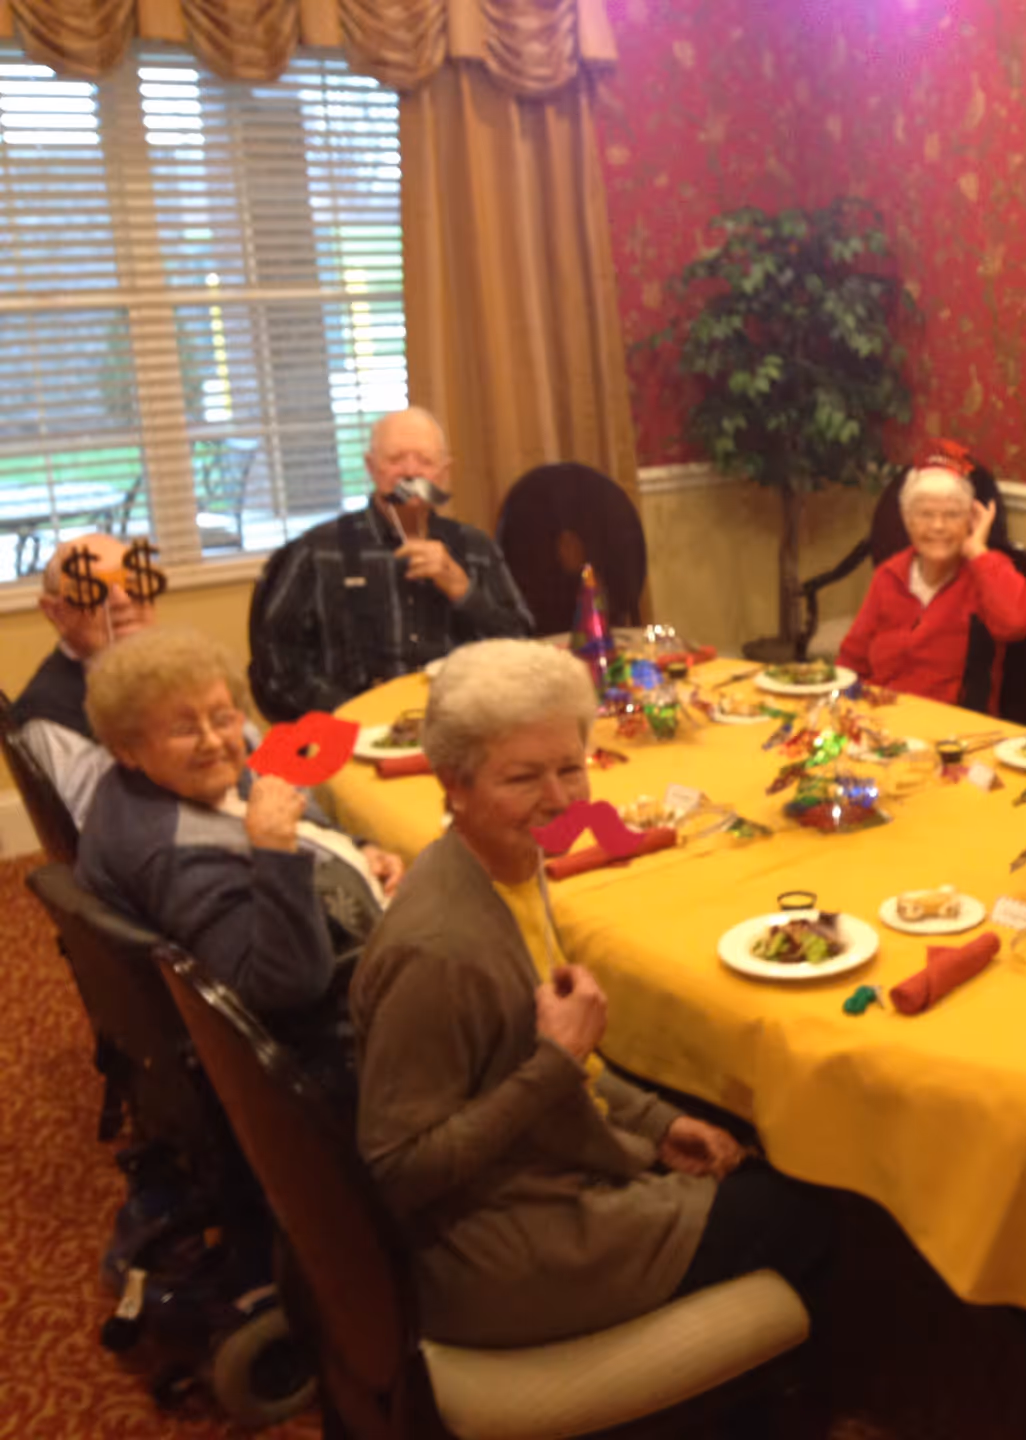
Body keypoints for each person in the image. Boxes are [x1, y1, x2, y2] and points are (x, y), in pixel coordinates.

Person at [351, 638, 832, 1347]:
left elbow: (547, 1064)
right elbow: (395, 1172)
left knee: (748, 1145)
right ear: (453, 782)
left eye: (571, 768)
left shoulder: (507, 863)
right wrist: (557, 1061)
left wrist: (658, 1122)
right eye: (522, 778)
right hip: (492, 1252)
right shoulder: (441, 952)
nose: (560, 798)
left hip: (542, 1165)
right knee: (813, 1207)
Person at [76, 626, 401, 1095]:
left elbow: (281, 797)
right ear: (126, 748)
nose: (214, 741)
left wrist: (358, 846)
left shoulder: (171, 779)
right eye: (185, 729)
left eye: (223, 718)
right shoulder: (173, 851)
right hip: (332, 1039)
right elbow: (283, 985)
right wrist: (274, 851)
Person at [248, 407, 533, 723]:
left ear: (443, 472)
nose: (410, 473)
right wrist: (352, 713)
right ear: (372, 467)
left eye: (425, 462)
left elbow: (523, 649)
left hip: (459, 727)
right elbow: (276, 665)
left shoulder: (475, 548)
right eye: (396, 460)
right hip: (348, 729)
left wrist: (463, 591)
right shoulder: (317, 552)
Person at [836, 449, 1026, 710]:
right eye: (925, 515)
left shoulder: (986, 573)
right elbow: (852, 659)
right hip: (879, 718)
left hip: (951, 730)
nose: (938, 526)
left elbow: (1019, 622)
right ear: (908, 520)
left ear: (971, 520)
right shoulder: (889, 575)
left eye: (952, 515)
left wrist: (978, 551)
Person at [12, 532, 160, 827]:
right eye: (93, 590)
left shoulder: (174, 667)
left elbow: (247, 751)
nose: (120, 599)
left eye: (132, 582)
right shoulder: (49, 715)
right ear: (55, 612)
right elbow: (95, 826)